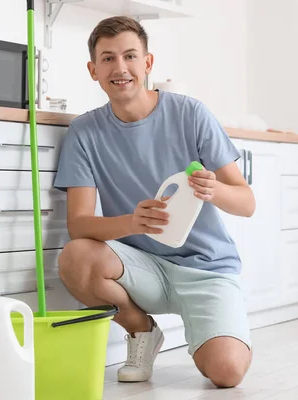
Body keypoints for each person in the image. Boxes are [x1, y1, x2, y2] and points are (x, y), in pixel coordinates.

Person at [53, 16, 255, 389]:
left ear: (147, 63)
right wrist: (133, 222)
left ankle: (219, 328)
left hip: (206, 268)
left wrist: (215, 189)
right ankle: (141, 329)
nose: (120, 68)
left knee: (226, 373)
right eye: (108, 59)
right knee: (76, 257)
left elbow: (246, 202)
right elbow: (79, 225)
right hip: (141, 267)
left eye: (130, 56)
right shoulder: (84, 132)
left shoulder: (190, 115)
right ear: (93, 70)